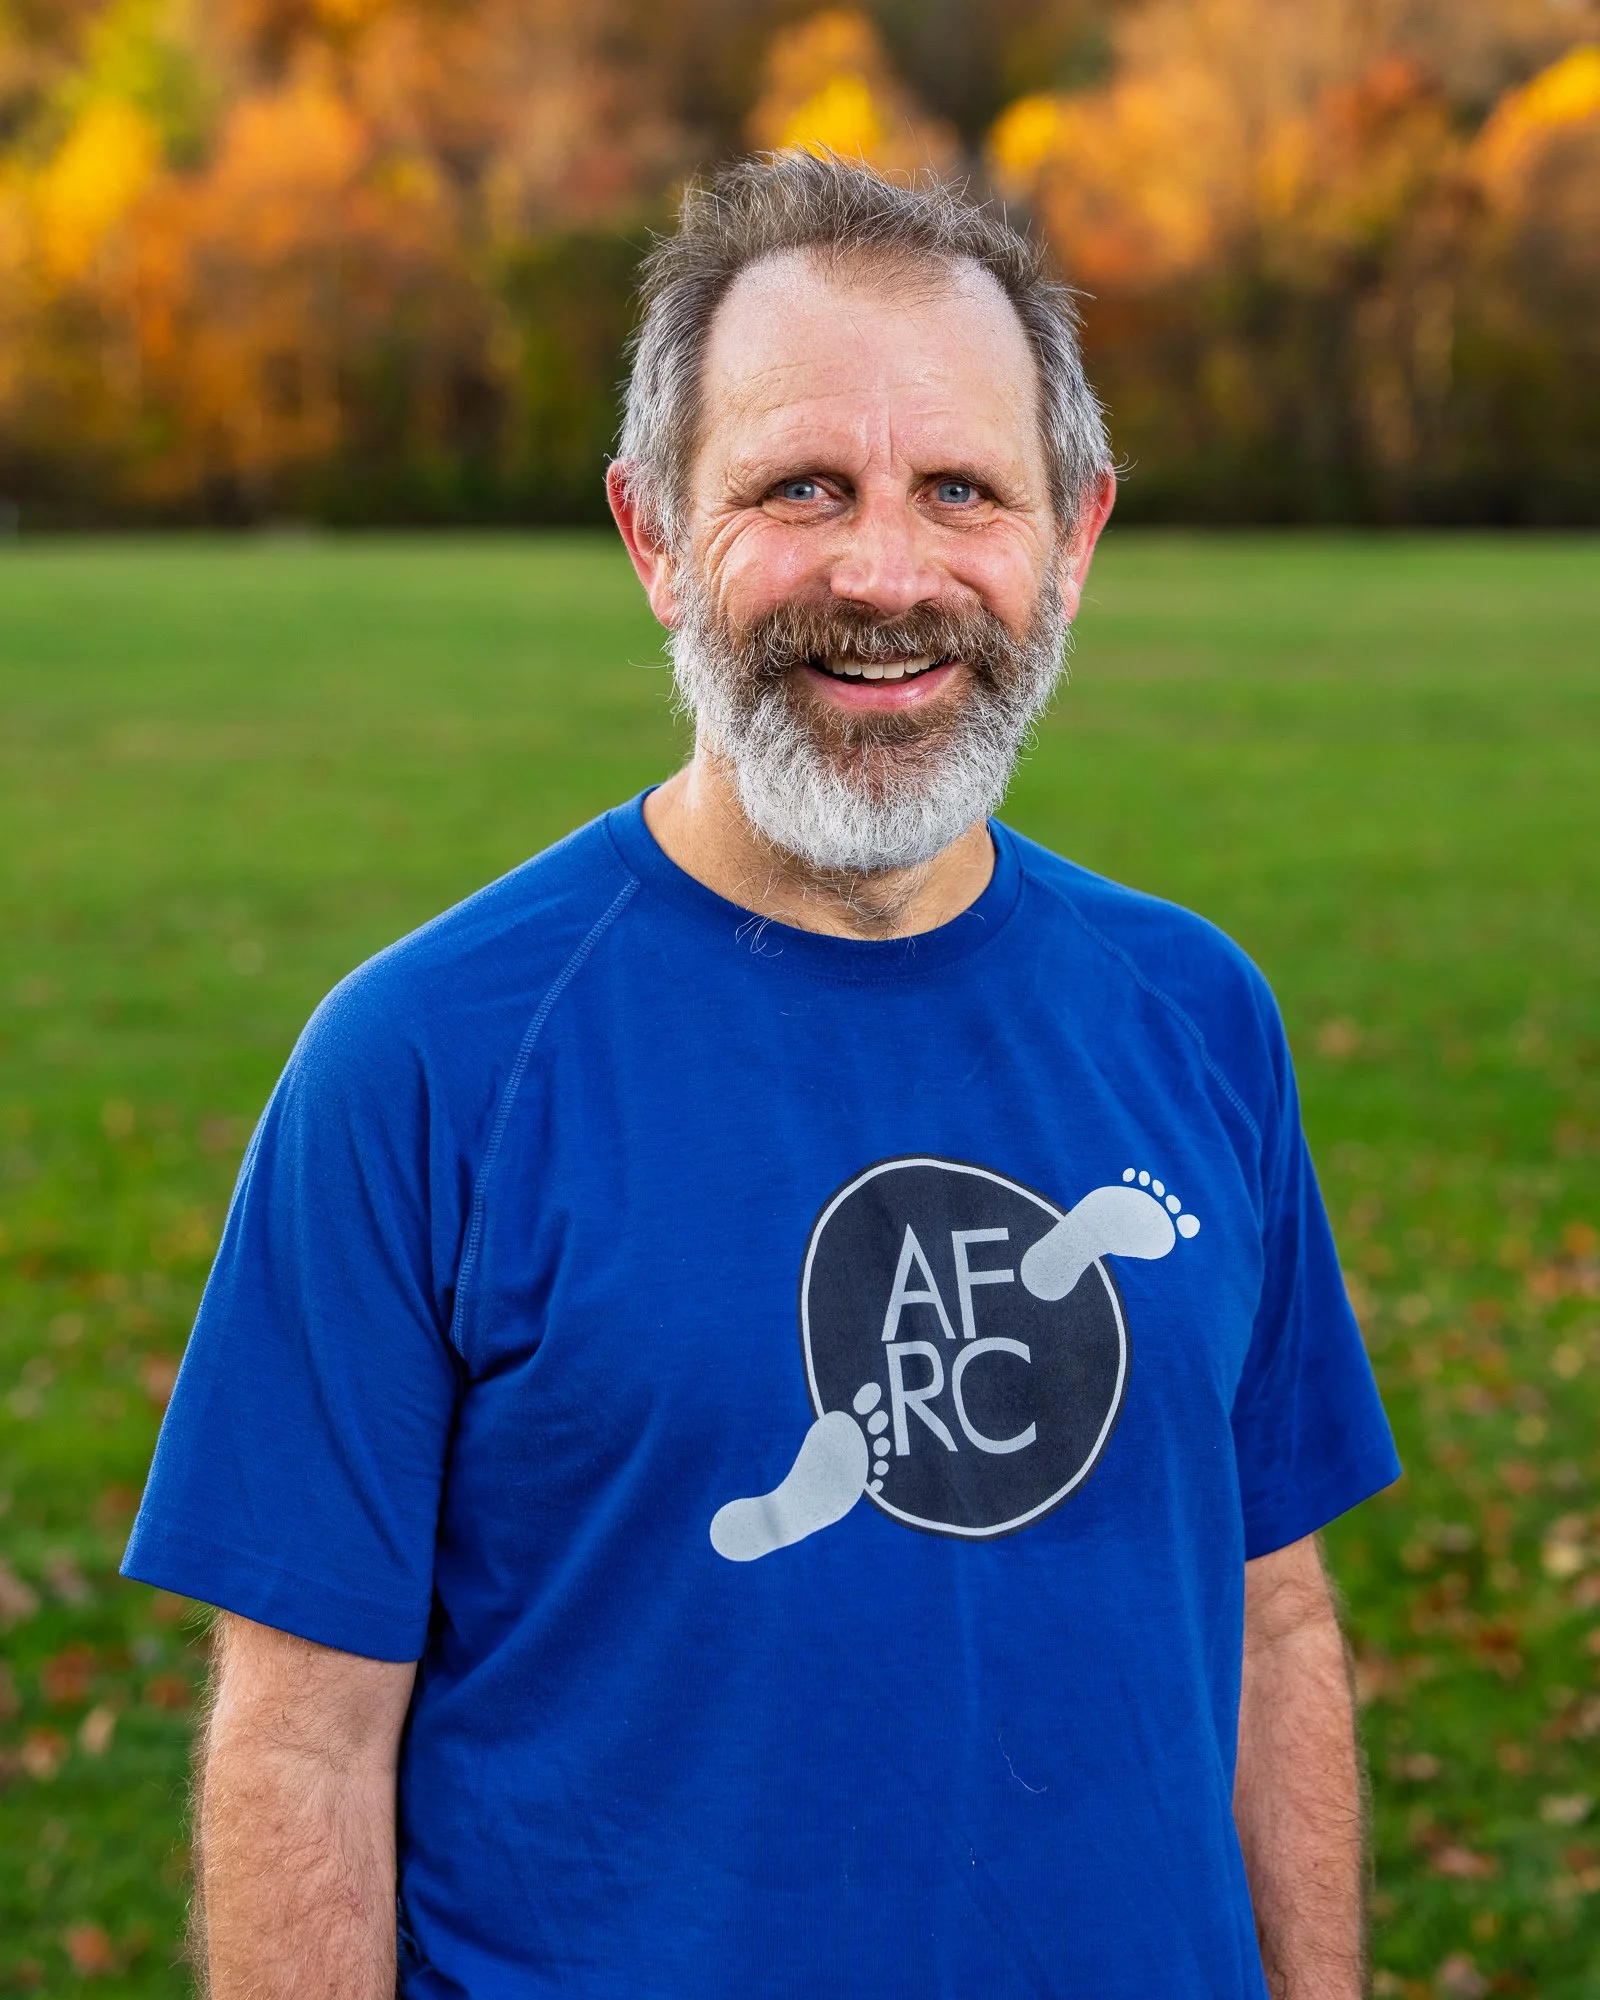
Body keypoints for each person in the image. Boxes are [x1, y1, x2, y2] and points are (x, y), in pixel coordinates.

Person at [124, 152, 1399, 2000]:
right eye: (802, 489)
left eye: (961, 490)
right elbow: (305, 1742)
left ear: (1074, 536)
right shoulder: (424, 1065)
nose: (886, 575)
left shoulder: (1197, 1012)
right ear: (654, 536)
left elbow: (1273, 1619)